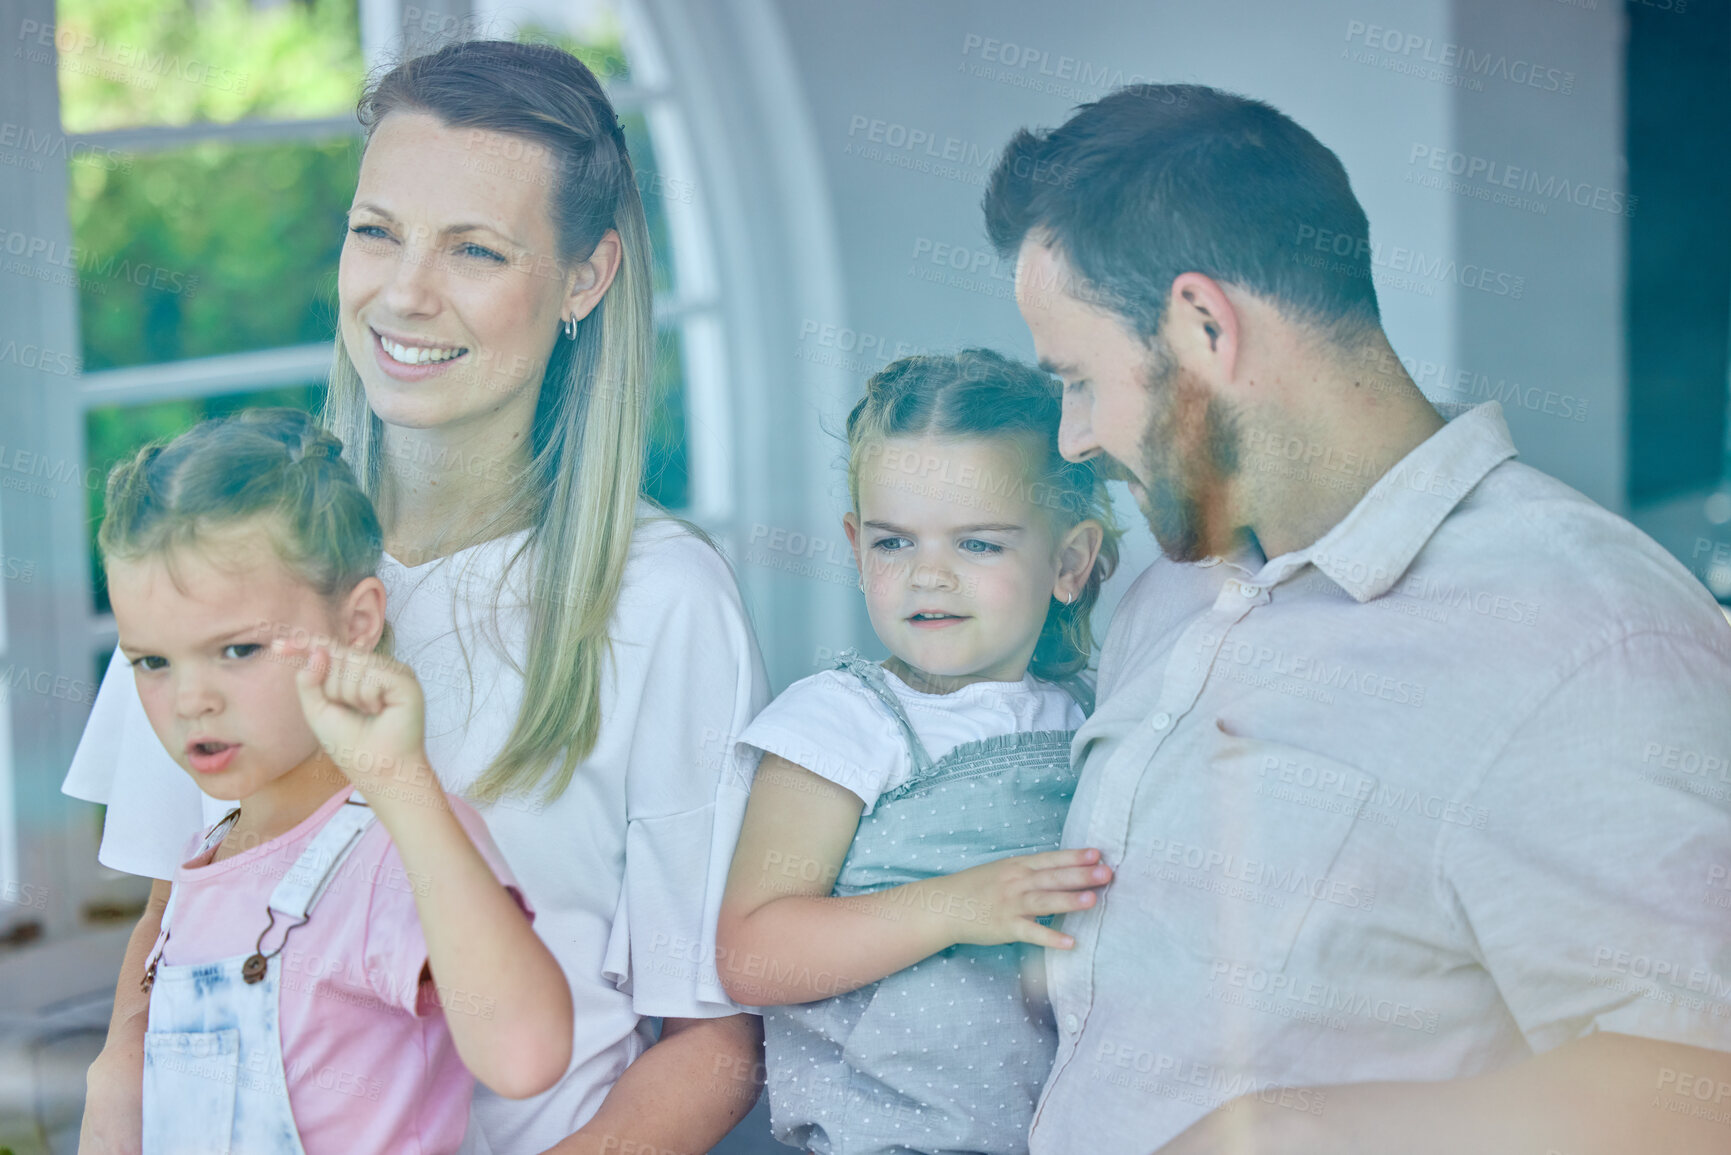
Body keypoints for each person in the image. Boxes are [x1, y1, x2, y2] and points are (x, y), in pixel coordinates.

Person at [981, 83, 1731, 1154]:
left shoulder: (1591, 637)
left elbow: (1705, 1090)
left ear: (1204, 327)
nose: (1072, 437)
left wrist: (1292, 1131)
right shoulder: (1164, 600)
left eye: (1078, 381)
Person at [68, 39, 769, 1155]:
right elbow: (160, 961)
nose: (405, 292)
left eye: (476, 251)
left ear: (587, 277)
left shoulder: (662, 601)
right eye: (376, 232)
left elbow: (714, 1043)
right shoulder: (228, 558)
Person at [102, 409, 572, 1153]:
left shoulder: (388, 846)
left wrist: (401, 783)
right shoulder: (209, 853)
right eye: (153, 661)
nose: (190, 698)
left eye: (237, 648)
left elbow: (526, 1055)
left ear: (356, 624)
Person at [715, 349, 1120, 1155]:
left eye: (978, 545)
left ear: (1069, 561)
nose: (928, 576)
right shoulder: (841, 722)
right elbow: (752, 956)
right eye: (895, 543)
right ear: (855, 543)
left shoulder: (1088, 718)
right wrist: (957, 904)